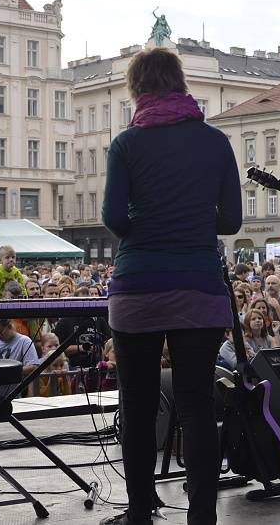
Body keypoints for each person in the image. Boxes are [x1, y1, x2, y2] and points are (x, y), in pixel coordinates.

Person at [100, 47, 241, 525]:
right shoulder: (215, 142)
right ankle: (203, 515)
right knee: (197, 403)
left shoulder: (126, 145)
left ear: (136, 88)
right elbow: (232, 220)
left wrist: (149, 219)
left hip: (138, 284)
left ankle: (140, 510)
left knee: (137, 404)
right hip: (198, 286)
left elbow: (114, 218)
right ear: (181, 83)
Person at [0, 318, 40, 398]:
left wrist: (8, 372)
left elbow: (33, 367)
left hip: (13, 394)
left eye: (0, 333)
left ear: (9, 326)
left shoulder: (24, 341)